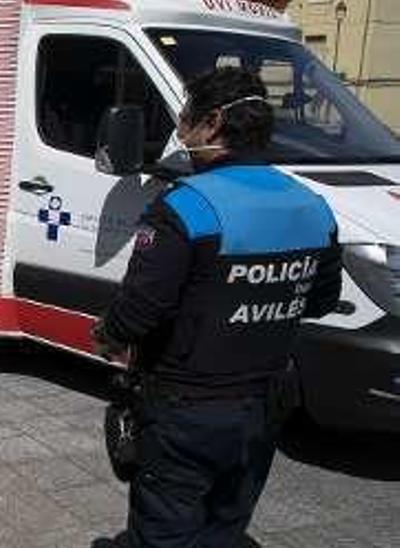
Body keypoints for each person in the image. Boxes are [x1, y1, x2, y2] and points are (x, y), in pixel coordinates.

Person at [91, 68, 343, 548]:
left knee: (164, 532)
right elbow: (321, 298)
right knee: (225, 527)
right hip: (264, 403)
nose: (181, 132)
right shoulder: (313, 206)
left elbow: (139, 310)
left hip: (187, 408)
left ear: (210, 124)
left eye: (185, 119)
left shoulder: (188, 207)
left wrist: (107, 336)